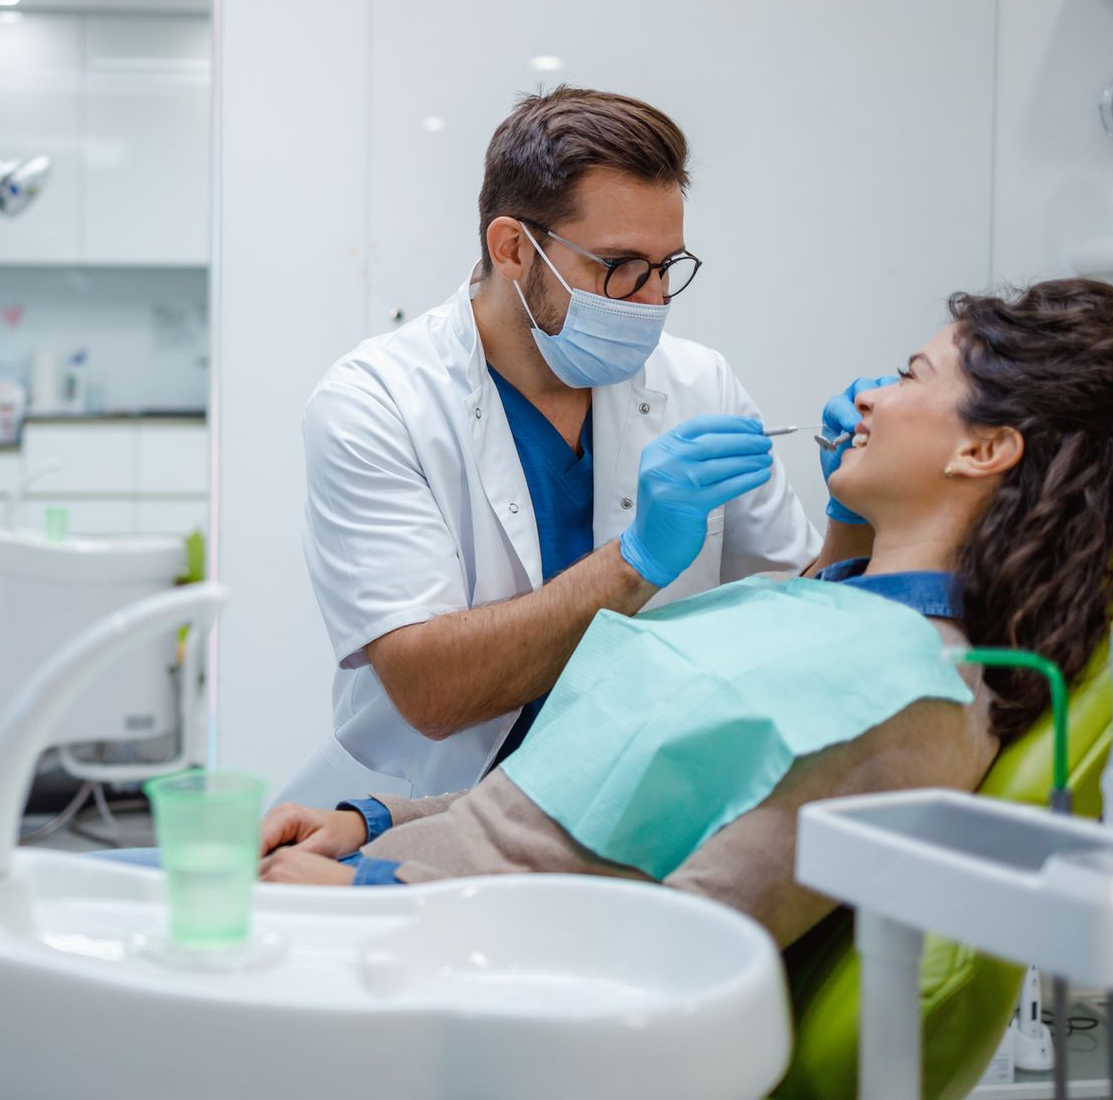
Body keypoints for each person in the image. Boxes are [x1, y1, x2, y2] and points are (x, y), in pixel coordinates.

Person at [258, 279, 1113, 947]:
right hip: (390, 874)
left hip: (426, 954)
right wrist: (372, 819)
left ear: (982, 452)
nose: (872, 397)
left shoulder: (896, 694)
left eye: (909, 374)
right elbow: (578, 800)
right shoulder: (830, 613)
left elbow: (678, 942)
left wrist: (377, 900)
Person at [285, 85, 882, 806]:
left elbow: (796, 621)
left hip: (630, 813)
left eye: (667, 267)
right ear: (513, 248)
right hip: (421, 812)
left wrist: (854, 511)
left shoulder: (699, 384)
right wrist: (636, 563)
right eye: (620, 266)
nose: (653, 301)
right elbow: (431, 691)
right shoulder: (375, 402)